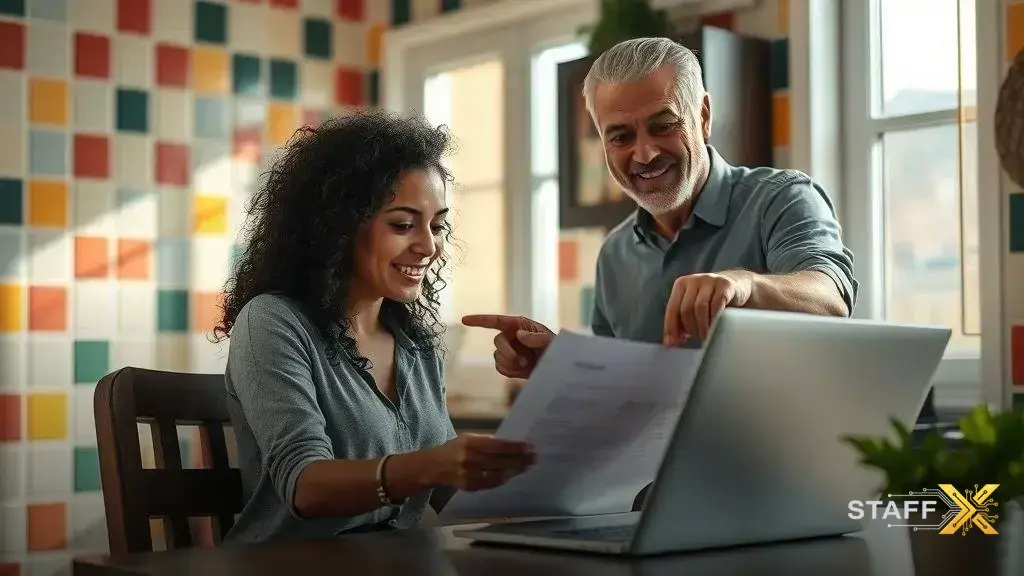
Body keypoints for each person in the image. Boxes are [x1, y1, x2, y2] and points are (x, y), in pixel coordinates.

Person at [213, 111, 536, 544]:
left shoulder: (417, 346)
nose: (428, 246)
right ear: (337, 228)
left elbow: (450, 494)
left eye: (437, 225)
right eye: (403, 224)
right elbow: (304, 486)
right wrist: (433, 464)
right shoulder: (272, 323)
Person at [464, 36, 858, 378]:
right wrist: (560, 362)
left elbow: (831, 298)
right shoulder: (614, 254)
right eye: (620, 136)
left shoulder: (781, 198)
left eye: (663, 125)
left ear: (702, 116)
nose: (645, 153)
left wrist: (744, 284)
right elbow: (620, 386)